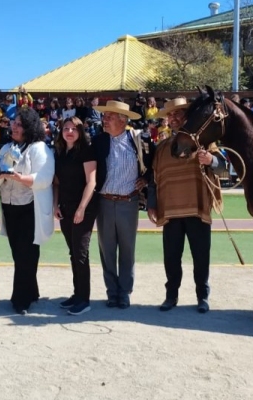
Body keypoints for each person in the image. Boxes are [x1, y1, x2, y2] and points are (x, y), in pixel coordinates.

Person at [148, 98, 226, 313]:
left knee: (201, 257)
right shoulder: (162, 147)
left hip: (197, 209)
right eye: (170, 115)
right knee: (171, 258)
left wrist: (211, 161)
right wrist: (152, 205)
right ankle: (171, 296)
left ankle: (202, 297)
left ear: (187, 117)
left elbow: (224, 170)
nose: (173, 118)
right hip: (170, 211)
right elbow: (155, 180)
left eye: (178, 114)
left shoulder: (206, 144)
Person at [0, 108, 55, 314]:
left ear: (29, 127)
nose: (14, 127)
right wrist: (0, 174)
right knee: (19, 253)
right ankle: (32, 291)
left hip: (30, 208)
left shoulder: (39, 148)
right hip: (10, 208)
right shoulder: (6, 147)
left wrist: (17, 177)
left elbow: (44, 178)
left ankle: (20, 299)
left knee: (26, 254)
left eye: (19, 124)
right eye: (13, 123)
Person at [92, 100, 154, 309]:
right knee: (106, 249)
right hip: (104, 202)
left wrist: (146, 180)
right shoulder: (98, 141)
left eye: (109, 117)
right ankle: (112, 292)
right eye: (104, 116)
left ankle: (125, 292)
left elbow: (155, 165)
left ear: (123, 119)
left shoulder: (139, 140)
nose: (104, 120)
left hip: (129, 202)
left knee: (127, 250)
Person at [53, 117, 97, 316]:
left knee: (80, 254)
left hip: (83, 209)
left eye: (73, 129)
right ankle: (77, 294)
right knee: (73, 253)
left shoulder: (86, 151)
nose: (69, 131)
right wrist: (56, 205)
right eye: (66, 128)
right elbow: (57, 183)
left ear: (80, 131)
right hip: (65, 208)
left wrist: (81, 208)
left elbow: (91, 182)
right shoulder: (61, 153)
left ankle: (84, 299)